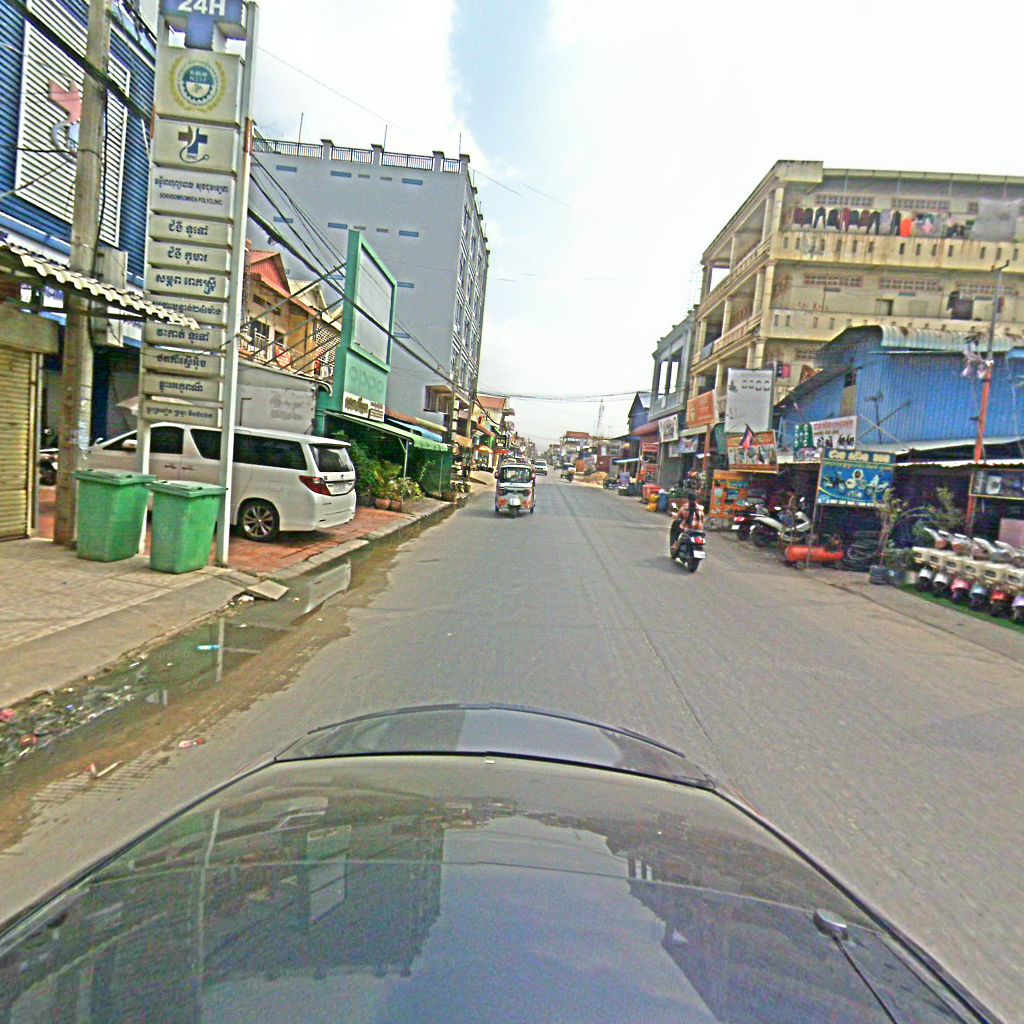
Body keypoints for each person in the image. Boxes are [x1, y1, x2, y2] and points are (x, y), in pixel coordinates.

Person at [670, 491, 705, 557]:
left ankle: (675, 544)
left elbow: (677, 516)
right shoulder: (700, 508)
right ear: (696, 499)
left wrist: (674, 515)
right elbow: (703, 519)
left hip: (687, 529)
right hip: (699, 530)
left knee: (676, 532)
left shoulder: (685, 507)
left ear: (688, 499)